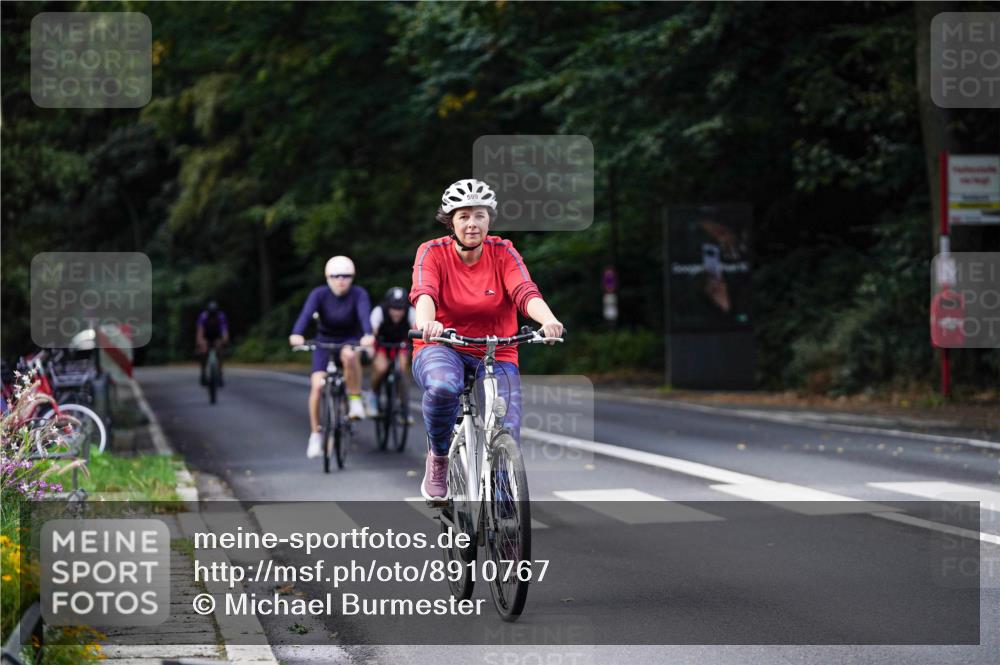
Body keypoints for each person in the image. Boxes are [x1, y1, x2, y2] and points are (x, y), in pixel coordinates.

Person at [410, 179, 563, 500]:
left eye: (479, 215)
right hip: (443, 345)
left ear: (489, 219)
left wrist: (548, 320)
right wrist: (427, 323)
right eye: (464, 216)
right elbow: (425, 292)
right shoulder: (432, 252)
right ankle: (438, 459)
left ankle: (504, 497)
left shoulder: (503, 251)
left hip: (497, 349)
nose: (472, 223)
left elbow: (524, 291)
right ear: (450, 221)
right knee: (443, 387)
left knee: (507, 423)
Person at [288, 256, 375, 459]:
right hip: (324, 343)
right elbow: (305, 315)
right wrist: (297, 334)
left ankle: (354, 399)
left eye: (346, 276)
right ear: (328, 278)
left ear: (352, 277)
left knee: (349, 355)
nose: (341, 280)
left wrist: (368, 334)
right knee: (317, 386)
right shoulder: (319, 294)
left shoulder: (358, 294)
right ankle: (315, 434)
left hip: (349, 339)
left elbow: (364, 316)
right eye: (336, 276)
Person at [368, 287, 416, 416]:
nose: (397, 312)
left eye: (400, 308)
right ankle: (373, 395)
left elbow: (417, 331)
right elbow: (372, 332)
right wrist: (371, 347)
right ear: (388, 306)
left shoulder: (411, 312)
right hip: (382, 344)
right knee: (381, 368)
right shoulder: (379, 311)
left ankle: (404, 405)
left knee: (402, 369)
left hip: (401, 344)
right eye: (394, 308)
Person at [195, 301, 229, 387]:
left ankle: (220, 374)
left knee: (219, 351)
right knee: (203, 351)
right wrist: (200, 341)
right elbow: (200, 330)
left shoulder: (221, 316)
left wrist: (224, 340)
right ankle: (203, 373)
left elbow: (224, 330)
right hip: (206, 336)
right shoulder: (203, 316)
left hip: (217, 336)